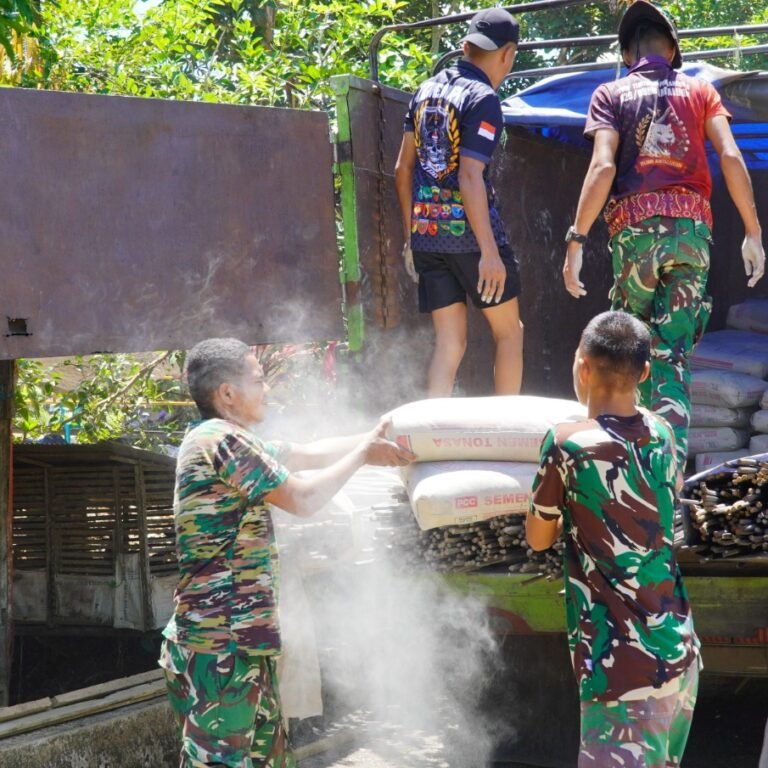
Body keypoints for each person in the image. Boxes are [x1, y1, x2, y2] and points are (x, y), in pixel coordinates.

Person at [159, 338, 415, 768]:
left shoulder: (236, 440)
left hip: (242, 646)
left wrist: (377, 434)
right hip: (220, 647)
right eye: (258, 380)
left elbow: (306, 455)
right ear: (227, 394)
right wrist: (362, 456)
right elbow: (303, 498)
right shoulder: (220, 441)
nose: (267, 390)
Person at [562, 0, 765, 468]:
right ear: (672, 50)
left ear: (628, 51)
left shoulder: (610, 93)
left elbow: (604, 166)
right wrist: (752, 232)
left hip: (635, 237)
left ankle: (620, 468)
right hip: (692, 238)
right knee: (672, 358)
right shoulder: (701, 92)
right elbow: (731, 158)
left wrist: (576, 239)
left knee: (624, 354)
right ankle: (666, 480)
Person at [526, 311, 700, 768]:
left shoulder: (567, 443)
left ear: (581, 366)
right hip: (678, 652)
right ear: (645, 372)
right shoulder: (662, 433)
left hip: (621, 670)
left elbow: (539, 537)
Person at [394, 7, 524, 397]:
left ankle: (431, 431)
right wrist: (488, 251)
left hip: (428, 238)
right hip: (470, 238)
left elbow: (402, 170)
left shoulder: (425, 90)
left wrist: (411, 238)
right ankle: (507, 433)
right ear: (508, 55)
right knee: (509, 335)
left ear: (466, 46)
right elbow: (470, 176)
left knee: (450, 344)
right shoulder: (483, 98)